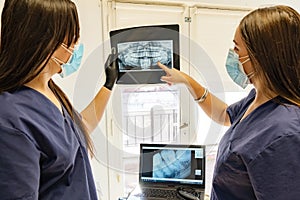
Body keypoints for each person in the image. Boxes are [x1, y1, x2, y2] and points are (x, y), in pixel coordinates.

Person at [158, 5, 300, 200]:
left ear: (259, 58)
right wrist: (186, 81)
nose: (232, 55)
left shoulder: (284, 133)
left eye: (236, 48)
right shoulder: (258, 98)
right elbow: (224, 114)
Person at [0, 0, 117, 199]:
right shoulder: (11, 120)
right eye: (72, 37)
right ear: (43, 41)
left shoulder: (50, 90)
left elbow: (80, 128)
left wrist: (109, 84)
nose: (75, 45)